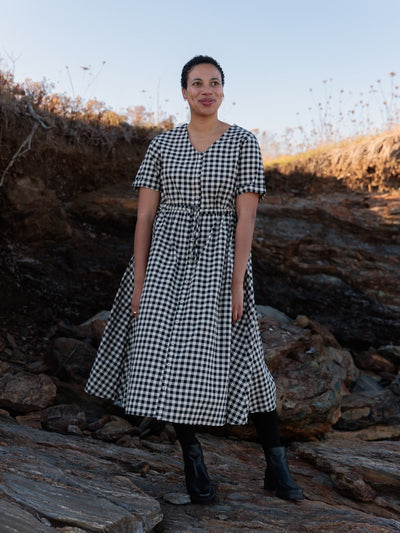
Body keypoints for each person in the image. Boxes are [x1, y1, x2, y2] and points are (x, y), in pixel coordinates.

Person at [85, 55, 303, 503]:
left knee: (247, 358)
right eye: (197, 83)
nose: (207, 90)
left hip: (220, 261)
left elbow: (246, 220)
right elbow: (145, 218)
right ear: (184, 91)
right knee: (163, 358)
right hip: (164, 260)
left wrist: (238, 280)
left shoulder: (244, 142)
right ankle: (192, 459)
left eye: (215, 82)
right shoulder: (162, 146)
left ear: (224, 90)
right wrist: (140, 281)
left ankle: (276, 464)